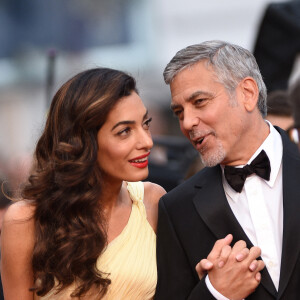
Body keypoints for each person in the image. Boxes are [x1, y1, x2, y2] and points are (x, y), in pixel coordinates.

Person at [1, 67, 166, 299]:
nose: (147, 141)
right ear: (84, 141)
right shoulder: (24, 220)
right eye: (125, 131)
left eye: (145, 124)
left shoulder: (153, 201)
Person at [155, 40, 300, 299]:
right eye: (179, 112)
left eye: (199, 102)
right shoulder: (177, 209)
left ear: (247, 93)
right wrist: (214, 293)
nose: (187, 122)